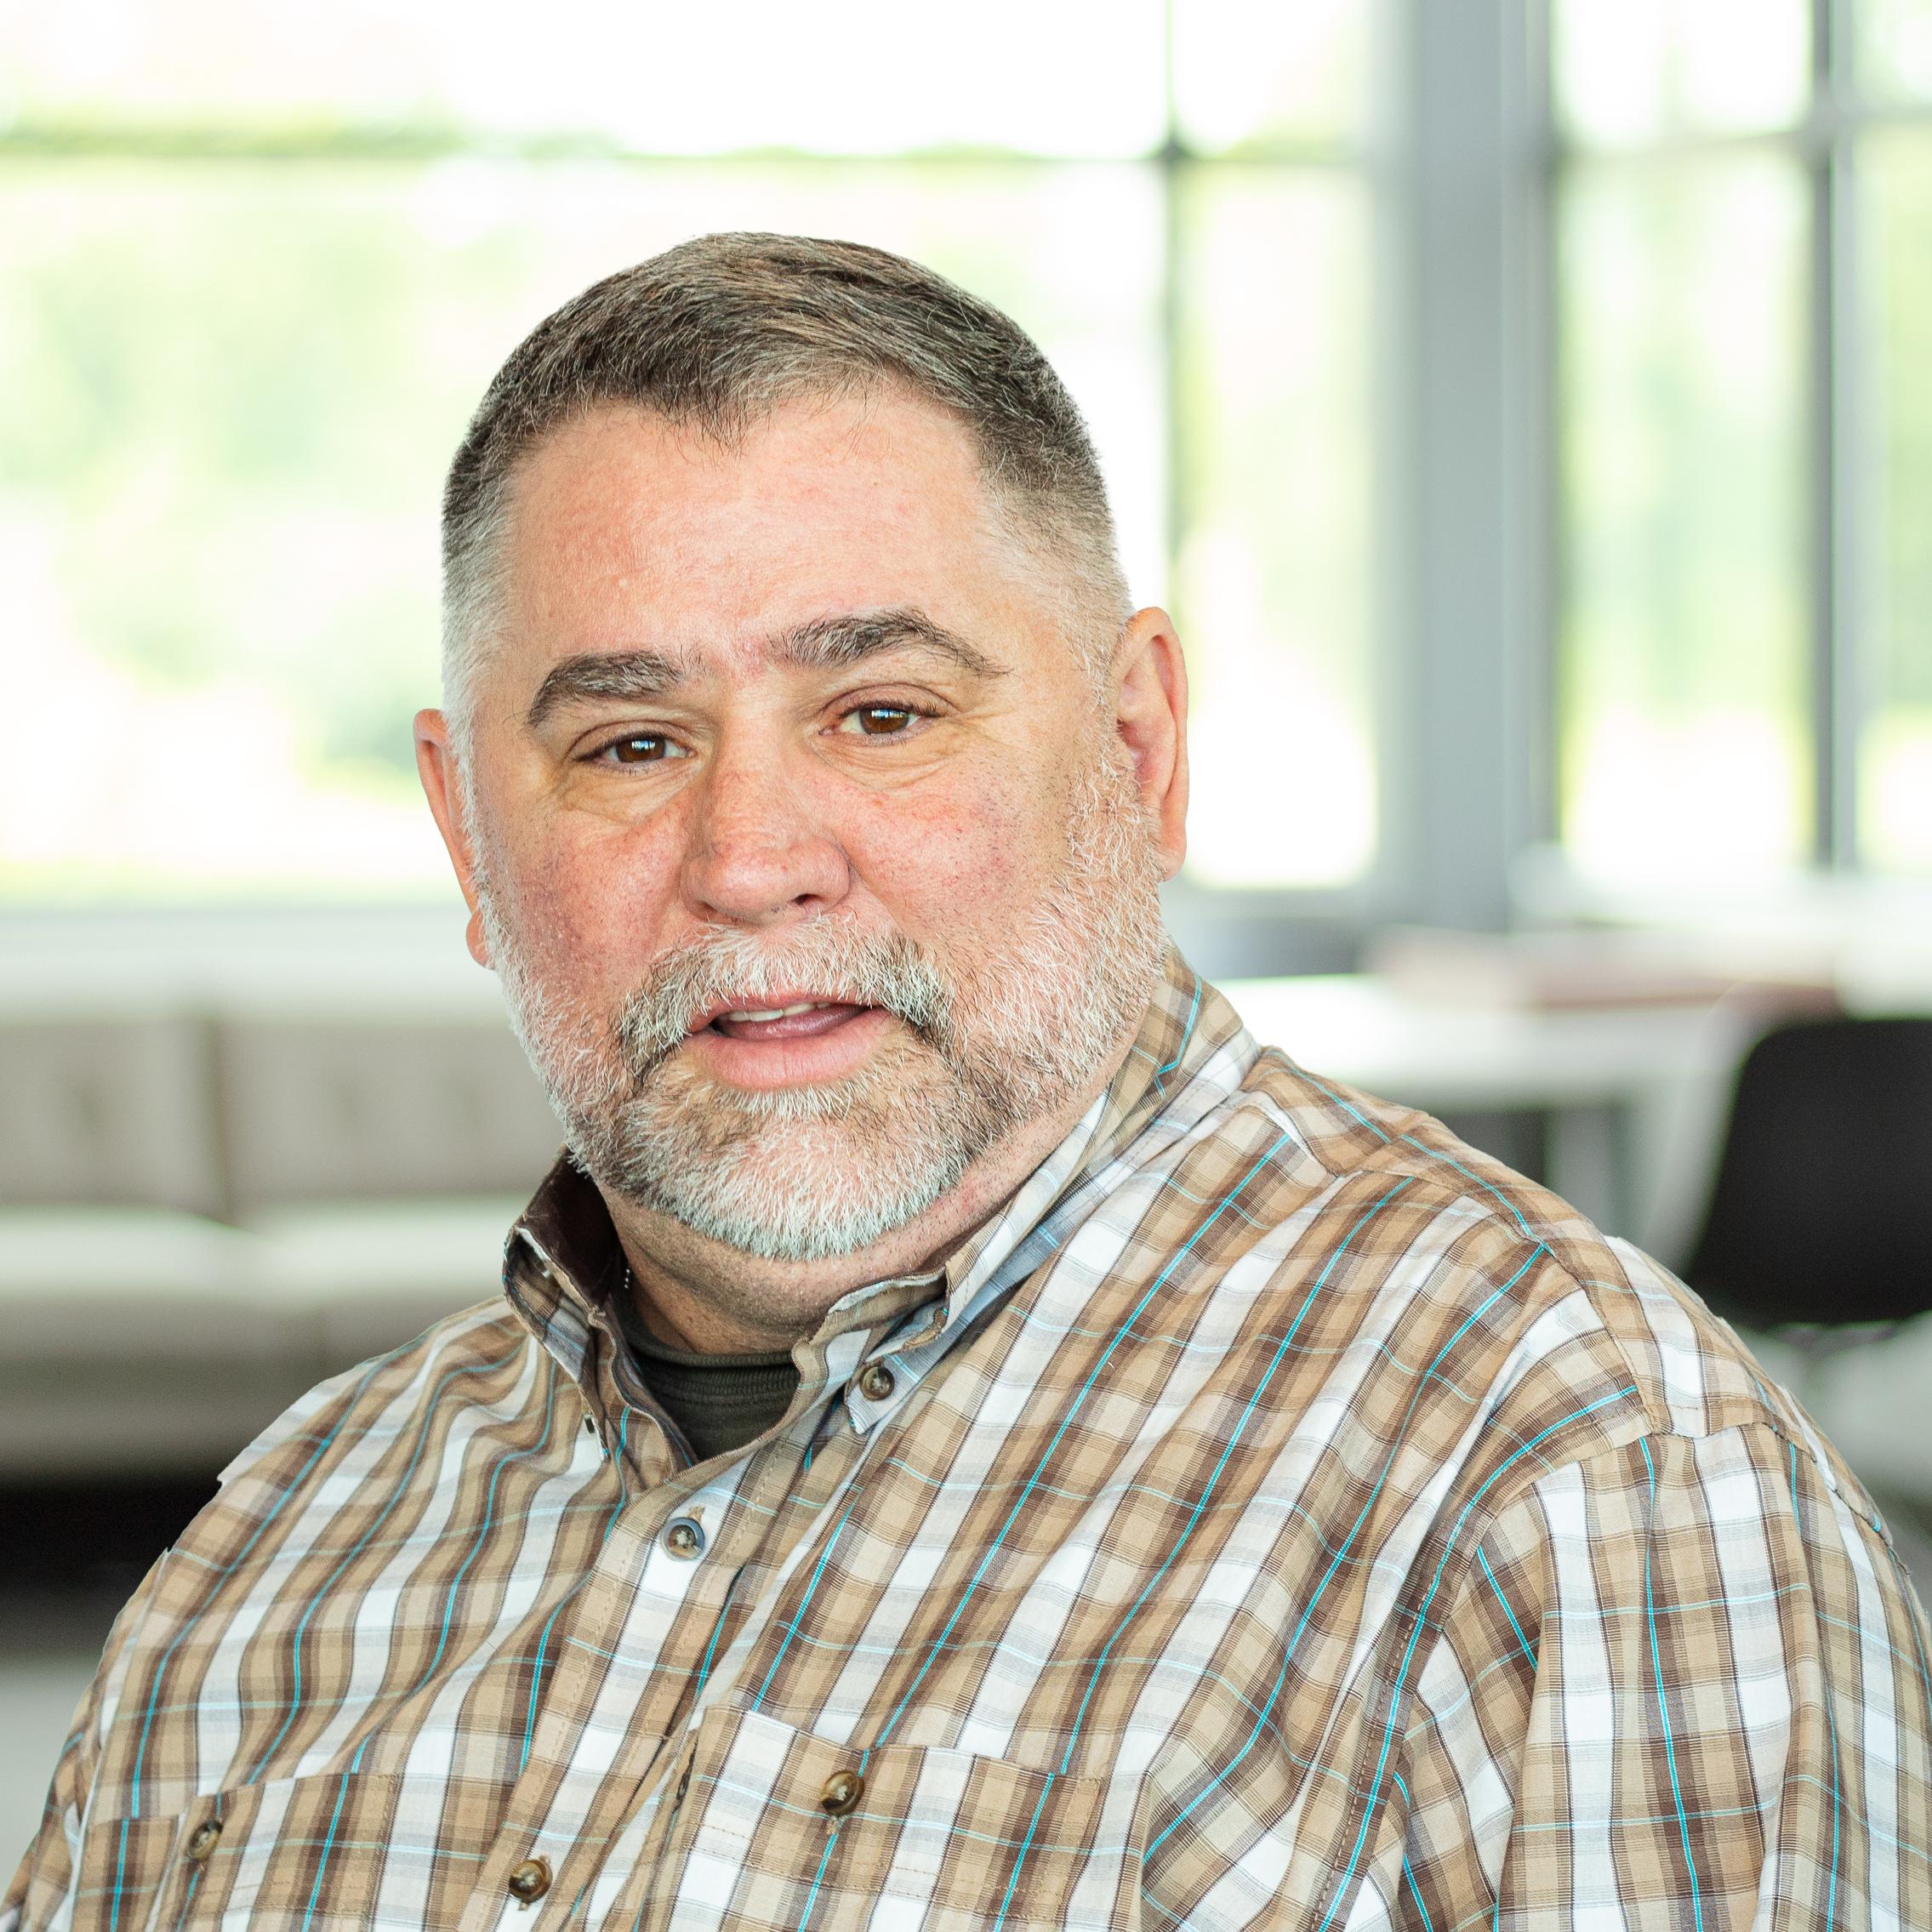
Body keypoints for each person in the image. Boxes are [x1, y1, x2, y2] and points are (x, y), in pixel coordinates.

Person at [9, 232, 1929, 1932]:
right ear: (462, 841)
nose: (750, 851)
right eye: (627, 741)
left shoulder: (1566, 1480)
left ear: (1136, 746)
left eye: (882, 712)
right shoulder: (285, 1550)